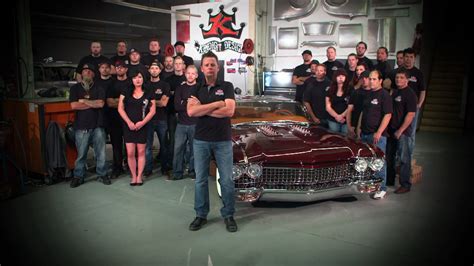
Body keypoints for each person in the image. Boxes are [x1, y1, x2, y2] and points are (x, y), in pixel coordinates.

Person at [187, 51, 237, 233]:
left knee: (227, 180)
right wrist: (217, 104)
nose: (209, 67)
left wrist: (202, 108)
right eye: (206, 64)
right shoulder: (195, 88)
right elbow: (191, 112)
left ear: (218, 67)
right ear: (202, 68)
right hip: (201, 140)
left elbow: (230, 111)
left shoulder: (227, 86)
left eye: (212, 64)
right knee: (200, 180)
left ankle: (229, 214)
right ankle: (201, 214)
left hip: (222, 140)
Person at [69, 63, 111, 188]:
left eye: (90, 71)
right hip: (81, 126)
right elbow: (74, 106)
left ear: (93, 74)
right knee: (81, 154)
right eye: (85, 70)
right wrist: (92, 103)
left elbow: (101, 104)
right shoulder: (75, 89)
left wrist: (83, 101)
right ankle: (78, 176)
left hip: (98, 125)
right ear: (81, 73)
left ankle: (102, 174)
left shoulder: (99, 88)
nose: (87, 72)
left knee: (101, 153)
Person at [118, 70, 156, 186]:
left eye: (139, 77)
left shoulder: (149, 92)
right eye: (134, 78)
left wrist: (142, 123)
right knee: (130, 153)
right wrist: (129, 122)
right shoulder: (126, 91)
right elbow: (120, 108)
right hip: (128, 125)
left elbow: (153, 110)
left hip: (142, 126)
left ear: (143, 78)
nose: (137, 80)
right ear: (131, 79)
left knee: (141, 152)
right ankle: (133, 176)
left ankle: (139, 177)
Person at [360, 70, 393, 200]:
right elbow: (364, 112)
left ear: (380, 81)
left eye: (374, 79)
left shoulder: (384, 95)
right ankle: (371, 185)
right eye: (370, 79)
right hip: (365, 133)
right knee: (367, 162)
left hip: (377, 135)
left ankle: (382, 188)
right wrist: (359, 128)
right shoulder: (368, 94)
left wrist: (379, 132)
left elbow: (388, 114)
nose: (371, 81)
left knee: (379, 162)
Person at [386, 69, 417, 194]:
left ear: (407, 79)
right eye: (397, 77)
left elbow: (410, 115)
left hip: (403, 132)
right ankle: (389, 180)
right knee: (390, 157)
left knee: (404, 159)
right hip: (392, 130)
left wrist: (400, 130)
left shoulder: (410, 94)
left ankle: (405, 184)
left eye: (401, 77)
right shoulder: (396, 92)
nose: (398, 79)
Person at [144, 61, 172, 177]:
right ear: (149, 70)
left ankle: (164, 168)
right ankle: (148, 169)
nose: (154, 70)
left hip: (162, 119)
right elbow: (142, 102)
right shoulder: (144, 85)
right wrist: (157, 101)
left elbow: (164, 103)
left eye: (156, 68)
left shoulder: (165, 85)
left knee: (164, 146)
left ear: (160, 71)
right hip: (147, 119)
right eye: (152, 68)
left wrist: (149, 101)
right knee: (147, 147)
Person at [172, 65, 199, 180]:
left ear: (196, 75)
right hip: (181, 124)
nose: (190, 75)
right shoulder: (180, 88)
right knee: (178, 149)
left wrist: (185, 101)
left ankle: (193, 171)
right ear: (185, 74)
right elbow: (177, 106)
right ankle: (177, 172)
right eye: (188, 73)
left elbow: (200, 105)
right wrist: (191, 103)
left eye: (193, 73)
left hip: (195, 123)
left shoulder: (200, 88)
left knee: (195, 150)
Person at [106, 60, 130, 178]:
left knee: (129, 145)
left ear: (126, 69)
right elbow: (110, 102)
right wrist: (123, 102)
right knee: (116, 145)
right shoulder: (111, 84)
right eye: (118, 67)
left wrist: (118, 101)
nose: (120, 69)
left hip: (128, 119)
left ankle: (130, 167)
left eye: (122, 67)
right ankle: (117, 168)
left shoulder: (131, 83)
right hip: (114, 120)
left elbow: (132, 102)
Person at [303, 63, 331, 128]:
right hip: (315, 119)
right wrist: (313, 117)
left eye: (321, 71)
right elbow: (306, 102)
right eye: (317, 70)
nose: (318, 72)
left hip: (329, 119)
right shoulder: (310, 85)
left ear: (325, 72)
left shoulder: (330, 84)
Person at [326, 69, 352, 134]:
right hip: (333, 119)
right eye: (338, 76)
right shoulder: (330, 89)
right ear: (335, 77)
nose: (340, 78)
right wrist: (337, 116)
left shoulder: (350, 89)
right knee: (334, 139)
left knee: (345, 140)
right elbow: (328, 107)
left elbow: (351, 106)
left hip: (346, 120)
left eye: (343, 76)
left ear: (346, 77)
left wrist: (342, 116)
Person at [346, 70, 371, 138]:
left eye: (367, 78)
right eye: (362, 78)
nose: (364, 80)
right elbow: (349, 110)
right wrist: (349, 126)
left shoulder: (374, 93)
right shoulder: (355, 92)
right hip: (354, 125)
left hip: (369, 128)